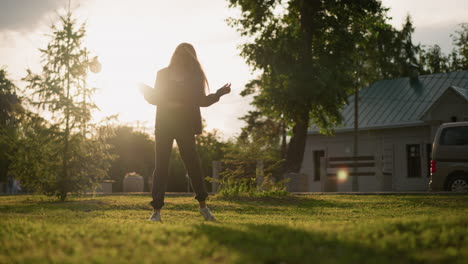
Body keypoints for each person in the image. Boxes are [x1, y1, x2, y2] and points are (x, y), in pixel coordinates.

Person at [139, 43, 231, 222]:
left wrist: (220, 93)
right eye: (179, 54)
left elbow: (202, 101)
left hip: (185, 126)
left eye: (185, 55)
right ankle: (156, 211)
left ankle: (204, 208)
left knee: (193, 165)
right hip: (164, 125)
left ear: (190, 58)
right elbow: (156, 98)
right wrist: (144, 90)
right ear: (175, 55)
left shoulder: (194, 77)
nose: (181, 58)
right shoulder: (162, 74)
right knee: (161, 167)